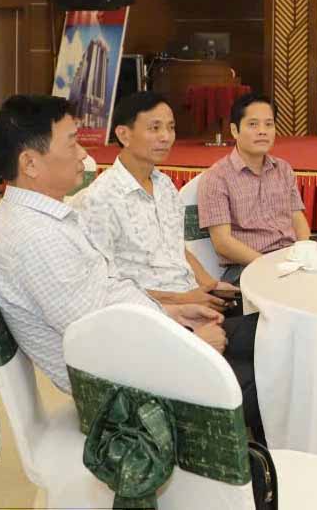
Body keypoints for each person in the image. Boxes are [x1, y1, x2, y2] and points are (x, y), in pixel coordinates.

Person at [0, 96, 266, 439]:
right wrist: (189, 343)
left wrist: (173, 314)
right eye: (72, 143)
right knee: (275, 372)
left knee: (273, 336)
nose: (84, 155)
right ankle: (256, 480)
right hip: (133, 390)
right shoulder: (34, 238)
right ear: (30, 163)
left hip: (147, 342)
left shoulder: (50, 219)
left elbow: (109, 297)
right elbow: (98, 343)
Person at [72, 92, 264, 438]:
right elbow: (103, 286)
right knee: (262, 375)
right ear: (124, 134)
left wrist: (206, 283)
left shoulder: (163, 184)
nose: (166, 137)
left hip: (194, 301)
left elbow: (177, 248)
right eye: (154, 127)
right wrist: (182, 300)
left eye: (171, 127)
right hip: (157, 319)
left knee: (276, 335)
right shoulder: (102, 199)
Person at [198, 93, 310, 284]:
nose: (262, 131)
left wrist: (306, 253)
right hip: (247, 266)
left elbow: (297, 218)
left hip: (290, 261)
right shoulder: (216, 178)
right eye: (253, 124)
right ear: (234, 130)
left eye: (269, 124)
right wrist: (268, 264)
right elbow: (222, 243)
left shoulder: (283, 169)